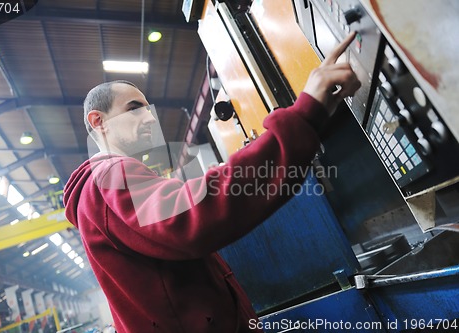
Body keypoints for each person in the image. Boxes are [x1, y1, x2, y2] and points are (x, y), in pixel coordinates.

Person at [63, 32, 361, 333]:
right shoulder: (110, 175)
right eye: (134, 108)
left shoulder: (101, 189)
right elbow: (194, 216)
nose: (151, 119)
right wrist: (304, 115)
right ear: (98, 121)